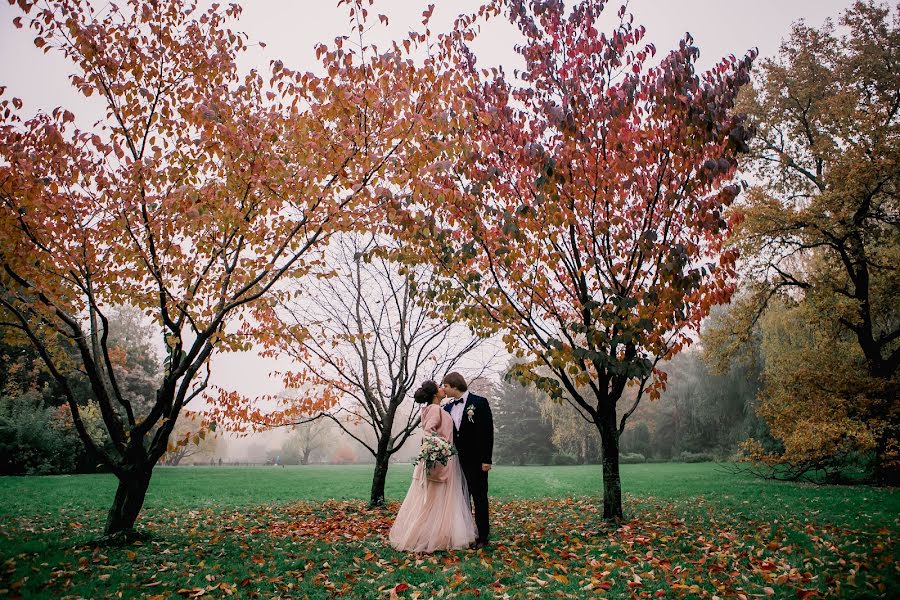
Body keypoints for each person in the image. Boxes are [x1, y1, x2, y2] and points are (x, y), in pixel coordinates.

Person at [389, 381, 477, 553]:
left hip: (440, 456)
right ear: (435, 394)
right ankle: (431, 536)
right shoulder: (435, 410)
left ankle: (437, 534)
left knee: (434, 498)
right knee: (436, 498)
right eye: (439, 387)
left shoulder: (431, 409)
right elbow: (429, 433)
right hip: (440, 458)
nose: (442, 388)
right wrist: (442, 447)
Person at [441, 372, 494, 549]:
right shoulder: (446, 408)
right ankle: (466, 534)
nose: (444, 389)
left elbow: (487, 433)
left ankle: (483, 537)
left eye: (445, 386)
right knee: (462, 499)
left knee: (479, 498)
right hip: (455, 462)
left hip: (477, 461)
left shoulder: (479, 403)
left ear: (454, 386)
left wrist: (486, 459)